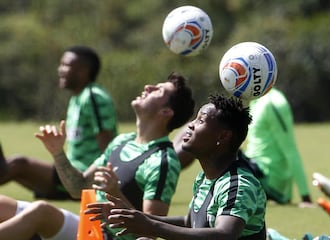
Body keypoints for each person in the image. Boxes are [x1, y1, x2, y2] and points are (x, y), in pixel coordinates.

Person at [0, 72, 195, 240]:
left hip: (107, 237)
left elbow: (149, 232)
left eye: (158, 91)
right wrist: (58, 153)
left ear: (166, 112)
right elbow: (79, 187)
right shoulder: (123, 141)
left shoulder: (162, 161)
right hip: (90, 229)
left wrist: (114, 193)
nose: (148, 87)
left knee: (41, 211)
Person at [87, 94, 267, 239]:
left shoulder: (238, 184)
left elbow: (225, 235)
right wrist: (129, 214)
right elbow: (190, 223)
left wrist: (152, 227)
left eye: (201, 121)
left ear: (223, 136)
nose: (191, 125)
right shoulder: (205, 178)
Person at [0, 46, 118, 200]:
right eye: (61, 64)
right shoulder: (77, 97)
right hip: (68, 172)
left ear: (83, 70)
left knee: (18, 165)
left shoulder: (93, 96)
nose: (60, 70)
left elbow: (108, 147)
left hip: (83, 176)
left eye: (66, 65)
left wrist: (101, 185)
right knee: (12, 169)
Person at [244, 88, 313, 206]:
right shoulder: (255, 100)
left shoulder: (274, 103)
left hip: (269, 180)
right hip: (253, 168)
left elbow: (290, 149)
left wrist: (305, 196)